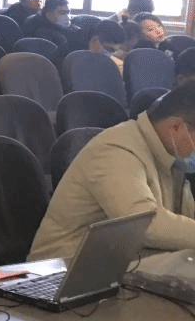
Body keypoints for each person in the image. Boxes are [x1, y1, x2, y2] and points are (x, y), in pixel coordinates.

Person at [30, 84, 195, 261]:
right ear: (176, 127)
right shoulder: (115, 150)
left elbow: (184, 220)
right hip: (66, 265)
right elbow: (145, 225)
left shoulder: (170, 158)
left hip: (125, 260)